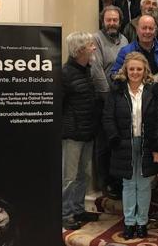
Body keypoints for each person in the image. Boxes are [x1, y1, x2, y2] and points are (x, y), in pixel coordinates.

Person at [102, 52, 158, 240]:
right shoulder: (117, 91)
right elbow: (108, 117)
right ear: (126, 70)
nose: (135, 72)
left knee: (145, 184)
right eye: (131, 69)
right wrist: (114, 138)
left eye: (139, 69)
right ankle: (129, 222)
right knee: (129, 184)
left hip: (147, 144)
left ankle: (142, 222)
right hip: (124, 144)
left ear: (145, 70)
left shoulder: (153, 91)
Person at [61, 32, 102, 229]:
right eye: (90, 45)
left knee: (83, 175)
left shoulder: (87, 70)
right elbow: (58, 105)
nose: (94, 48)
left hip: (88, 132)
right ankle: (65, 213)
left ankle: (78, 209)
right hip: (72, 134)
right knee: (69, 177)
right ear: (79, 50)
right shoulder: (65, 73)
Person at [93, 5, 128, 199]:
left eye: (115, 20)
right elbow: (96, 69)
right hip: (103, 99)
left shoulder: (124, 39)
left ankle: (117, 181)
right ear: (103, 21)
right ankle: (104, 183)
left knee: (117, 141)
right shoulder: (96, 39)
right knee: (103, 144)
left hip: (120, 98)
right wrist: (108, 97)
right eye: (109, 20)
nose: (112, 23)